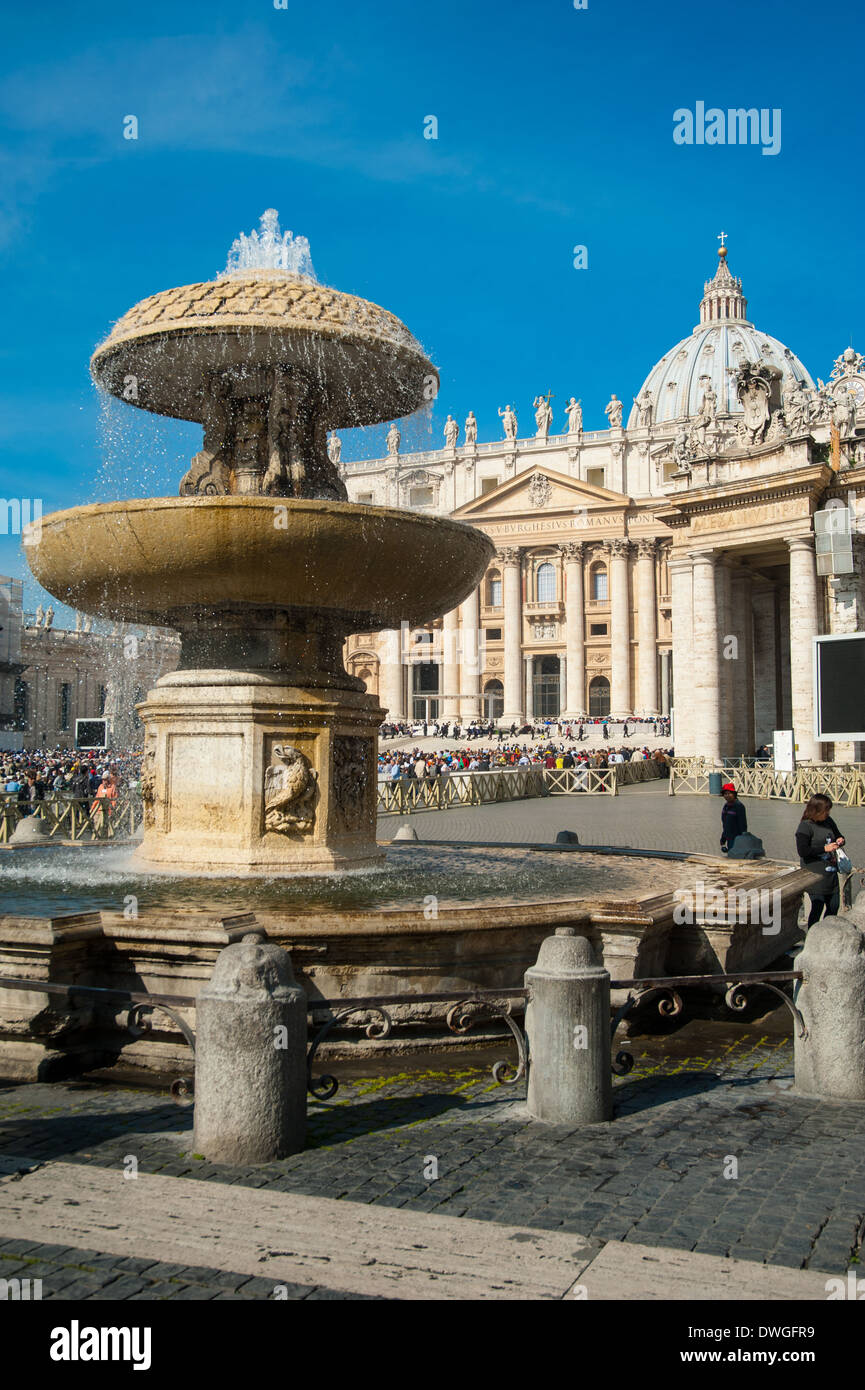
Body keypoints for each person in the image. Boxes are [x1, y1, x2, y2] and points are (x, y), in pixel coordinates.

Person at [795, 794, 846, 926]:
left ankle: (826, 931)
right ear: (816, 811)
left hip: (831, 873)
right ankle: (812, 934)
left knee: (834, 906)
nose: (828, 813)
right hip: (814, 874)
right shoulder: (805, 826)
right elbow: (803, 851)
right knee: (817, 907)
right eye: (825, 811)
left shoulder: (829, 821)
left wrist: (840, 840)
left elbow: (838, 835)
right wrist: (824, 848)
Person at [719, 783, 747, 853]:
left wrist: (743, 839)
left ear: (734, 794)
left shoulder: (739, 806)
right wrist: (723, 839)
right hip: (729, 838)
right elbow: (725, 824)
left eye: (729, 793)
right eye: (725, 794)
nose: (727, 796)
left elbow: (743, 824)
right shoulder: (726, 806)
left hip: (737, 839)